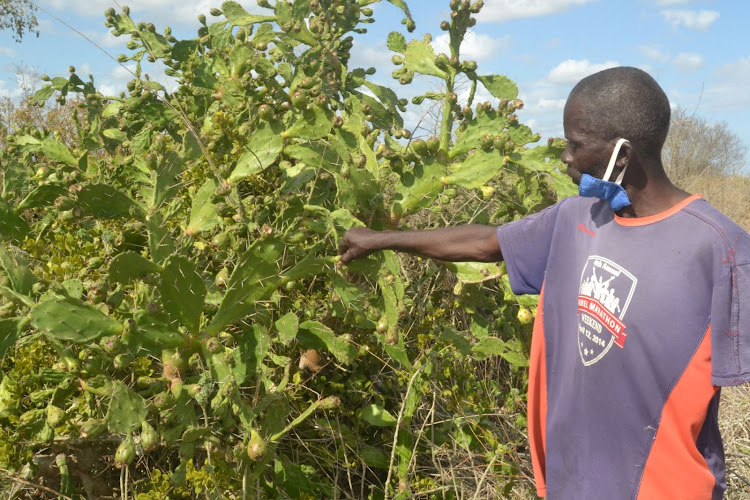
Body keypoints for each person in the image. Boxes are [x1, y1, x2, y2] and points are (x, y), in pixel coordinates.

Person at [337, 66, 750, 499]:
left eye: (576, 144)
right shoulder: (576, 218)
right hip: (568, 483)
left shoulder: (721, 249)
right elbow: (483, 243)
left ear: (621, 155)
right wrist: (381, 240)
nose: (565, 158)